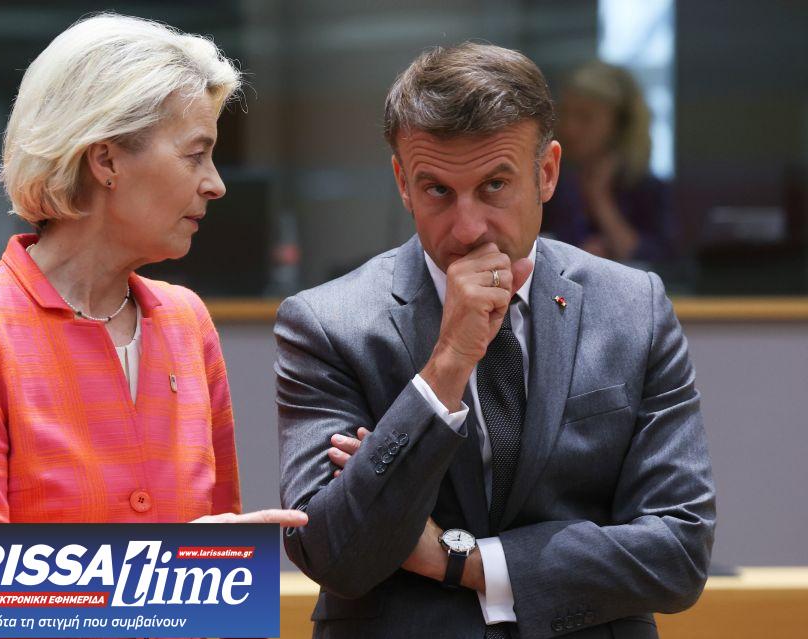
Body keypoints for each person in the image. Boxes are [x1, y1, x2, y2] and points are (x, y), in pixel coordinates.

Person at [276, 43, 713, 639]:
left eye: (494, 185)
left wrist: (459, 562)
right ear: (403, 183)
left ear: (546, 173)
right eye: (437, 190)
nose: (467, 228)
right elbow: (333, 554)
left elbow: (679, 552)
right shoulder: (327, 322)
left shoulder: (634, 307)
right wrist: (447, 365)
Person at [0, 13, 305, 529]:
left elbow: (219, 554)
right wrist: (164, 566)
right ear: (106, 161)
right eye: (195, 155)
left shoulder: (187, 322)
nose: (216, 184)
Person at [542, 60, 672, 264]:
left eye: (585, 117)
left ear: (618, 126)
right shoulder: (548, 181)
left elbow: (659, 263)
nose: (570, 128)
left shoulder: (647, 188)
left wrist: (600, 200)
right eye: (565, 113)